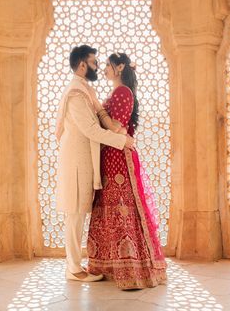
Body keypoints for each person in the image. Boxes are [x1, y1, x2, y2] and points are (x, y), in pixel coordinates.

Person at [86, 52, 167, 289]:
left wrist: (96, 105)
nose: (104, 70)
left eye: (108, 66)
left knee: (121, 207)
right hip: (110, 153)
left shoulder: (123, 92)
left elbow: (117, 128)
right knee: (111, 207)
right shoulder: (117, 92)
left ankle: (132, 269)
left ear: (120, 67)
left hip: (119, 157)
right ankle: (113, 266)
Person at [55, 45, 135, 282]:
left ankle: (74, 265)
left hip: (83, 161)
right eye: (94, 62)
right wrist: (122, 140)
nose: (98, 66)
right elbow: (91, 130)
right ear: (82, 65)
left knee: (77, 213)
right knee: (74, 214)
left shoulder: (85, 90)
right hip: (77, 162)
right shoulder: (76, 94)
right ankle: (73, 268)